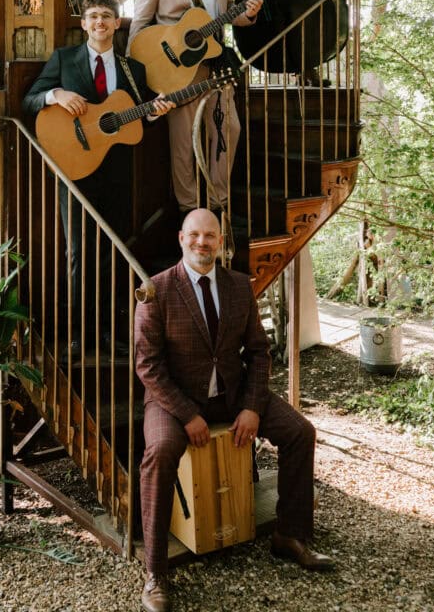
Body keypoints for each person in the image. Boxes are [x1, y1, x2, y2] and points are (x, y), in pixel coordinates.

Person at [135, 208, 334, 612]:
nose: (202, 243)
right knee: (159, 452)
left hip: (233, 394)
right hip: (172, 400)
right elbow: (148, 367)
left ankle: (291, 535)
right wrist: (187, 415)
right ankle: (155, 572)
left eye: (210, 236)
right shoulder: (156, 291)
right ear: (181, 239)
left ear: (220, 242)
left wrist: (251, 407)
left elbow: (259, 353)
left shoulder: (240, 287)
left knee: (300, 431)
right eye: (194, 235)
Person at [23, 0, 172, 356]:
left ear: (117, 23)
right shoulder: (63, 59)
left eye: (107, 16)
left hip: (117, 173)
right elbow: (30, 100)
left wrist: (156, 110)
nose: (100, 23)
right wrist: (56, 94)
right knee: (78, 253)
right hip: (73, 170)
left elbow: (139, 116)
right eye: (93, 17)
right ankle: (78, 335)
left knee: (114, 250)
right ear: (84, 24)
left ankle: (108, 334)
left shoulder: (132, 70)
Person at [126, 0, 262, 215]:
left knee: (229, 130)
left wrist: (248, 14)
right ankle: (189, 208)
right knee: (183, 142)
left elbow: (225, 13)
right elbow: (140, 22)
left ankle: (218, 203)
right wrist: (145, 68)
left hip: (215, 62)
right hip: (176, 67)